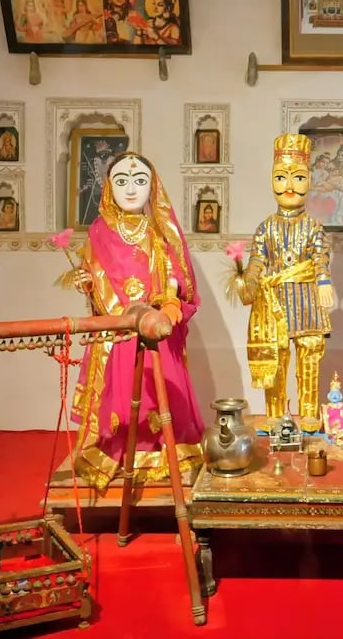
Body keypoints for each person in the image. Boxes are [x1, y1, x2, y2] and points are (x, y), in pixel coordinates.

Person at [68, 151, 205, 491]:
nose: (131, 189)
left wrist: (168, 305)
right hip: (116, 332)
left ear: (153, 187)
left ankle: (166, 456)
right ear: (108, 187)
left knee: (161, 397)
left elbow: (178, 283)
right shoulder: (98, 233)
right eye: (122, 181)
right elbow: (97, 287)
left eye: (140, 181)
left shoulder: (161, 231)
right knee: (121, 399)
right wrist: (87, 283)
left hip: (156, 330)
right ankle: (117, 454)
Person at [236, 134, 334, 423]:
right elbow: (257, 261)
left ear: (309, 181)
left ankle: (309, 413)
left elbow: (321, 257)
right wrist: (247, 281)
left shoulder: (314, 226)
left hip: (307, 302)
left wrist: (324, 281)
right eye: (281, 178)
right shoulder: (266, 227)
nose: (289, 186)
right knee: (275, 358)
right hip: (274, 305)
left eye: (298, 178)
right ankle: (276, 414)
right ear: (272, 181)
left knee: (310, 354)